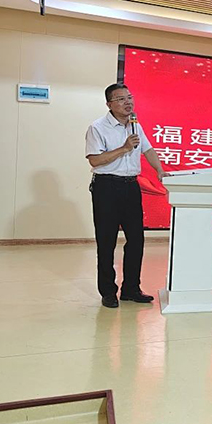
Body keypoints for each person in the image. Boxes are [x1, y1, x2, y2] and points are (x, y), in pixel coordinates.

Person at [85, 83, 169, 308]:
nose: (128, 102)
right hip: (106, 188)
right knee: (106, 242)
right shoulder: (98, 127)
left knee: (136, 240)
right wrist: (123, 149)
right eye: (121, 99)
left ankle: (131, 288)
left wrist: (160, 170)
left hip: (131, 188)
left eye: (129, 97)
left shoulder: (135, 125)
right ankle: (108, 292)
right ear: (109, 104)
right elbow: (94, 160)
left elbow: (147, 149)